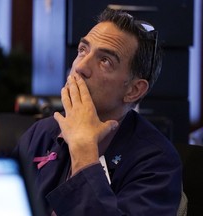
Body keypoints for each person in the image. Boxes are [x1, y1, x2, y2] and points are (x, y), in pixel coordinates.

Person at [13, 8, 182, 215]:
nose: (80, 66)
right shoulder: (41, 134)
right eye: (83, 50)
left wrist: (83, 152)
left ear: (133, 90)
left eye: (105, 61)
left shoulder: (157, 162)